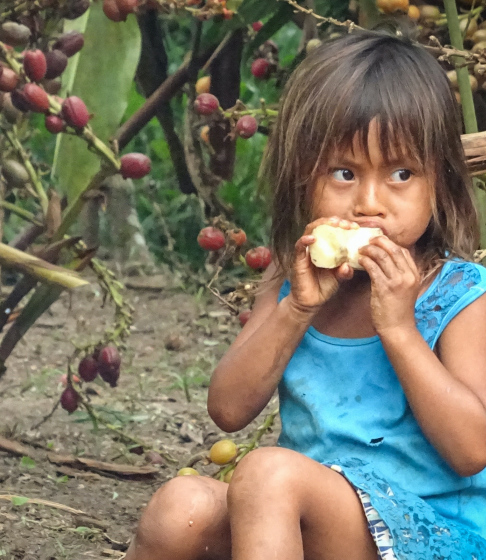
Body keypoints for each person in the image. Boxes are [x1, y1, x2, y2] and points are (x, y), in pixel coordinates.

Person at [124, 31, 486, 560]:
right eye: (344, 173)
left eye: (401, 174)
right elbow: (228, 409)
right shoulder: (294, 281)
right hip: (307, 520)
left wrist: (401, 330)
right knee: (180, 507)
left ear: (439, 182)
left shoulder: (458, 295)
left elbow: (472, 449)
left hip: (431, 534)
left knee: (269, 473)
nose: (369, 203)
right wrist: (294, 309)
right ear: (302, 178)